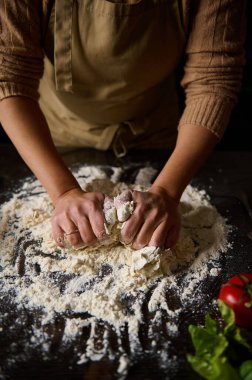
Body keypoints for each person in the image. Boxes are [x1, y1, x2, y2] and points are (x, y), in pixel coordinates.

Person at [0, 0, 246, 251]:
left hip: (159, 135)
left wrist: (168, 192)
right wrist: (63, 192)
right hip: (55, 134)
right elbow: (9, 78)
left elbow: (212, 81)